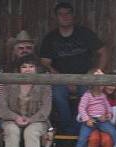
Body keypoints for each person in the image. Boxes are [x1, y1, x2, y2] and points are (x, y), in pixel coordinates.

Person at [39, 2, 107, 134]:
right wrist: (62, 79)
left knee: (86, 95)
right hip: (60, 80)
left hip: (84, 79)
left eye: (68, 13)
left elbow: (104, 51)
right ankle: (67, 128)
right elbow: (44, 62)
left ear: (73, 15)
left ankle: (78, 127)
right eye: (61, 14)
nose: (64, 16)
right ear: (56, 17)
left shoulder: (84, 33)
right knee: (58, 95)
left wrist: (97, 71)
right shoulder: (50, 38)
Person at [0, 54, 52, 147]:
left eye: (31, 66)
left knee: (31, 131)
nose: (28, 69)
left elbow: (46, 109)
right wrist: (15, 117)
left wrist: (31, 120)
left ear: (36, 69)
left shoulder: (44, 85)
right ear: (18, 70)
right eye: (24, 67)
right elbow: (2, 107)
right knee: (12, 130)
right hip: (12, 119)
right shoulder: (9, 83)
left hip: (37, 120)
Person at [73, 72, 116, 147]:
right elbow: (81, 108)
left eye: (102, 84)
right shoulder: (87, 95)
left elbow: (108, 107)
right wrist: (87, 119)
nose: (100, 86)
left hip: (101, 119)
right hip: (90, 120)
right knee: (82, 138)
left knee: (113, 132)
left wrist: (108, 115)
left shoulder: (103, 96)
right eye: (98, 84)